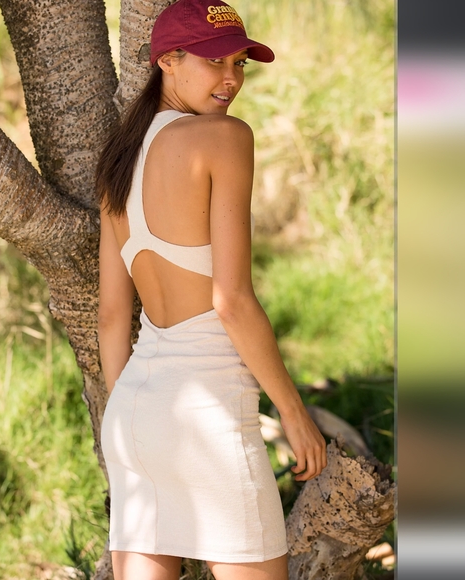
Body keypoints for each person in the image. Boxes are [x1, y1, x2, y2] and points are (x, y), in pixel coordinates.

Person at [95, 1, 327, 579]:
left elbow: (111, 316)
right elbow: (232, 300)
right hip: (209, 412)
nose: (231, 80)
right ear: (167, 61)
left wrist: (131, 419)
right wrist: (293, 412)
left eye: (239, 63)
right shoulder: (223, 137)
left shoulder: (119, 159)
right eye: (214, 62)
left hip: (132, 412)